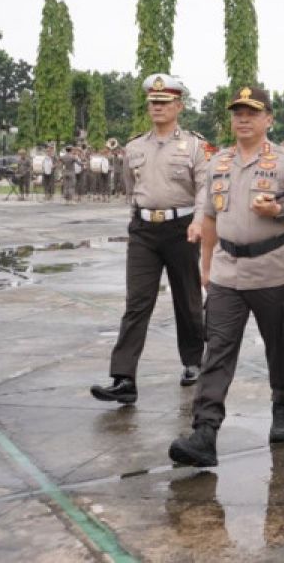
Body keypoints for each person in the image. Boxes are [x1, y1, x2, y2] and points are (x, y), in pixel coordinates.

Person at [168, 86, 284, 466]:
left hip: (270, 270)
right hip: (225, 271)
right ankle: (205, 433)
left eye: (252, 112)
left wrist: (280, 211)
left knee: (278, 345)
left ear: (268, 118)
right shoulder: (218, 163)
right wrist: (206, 268)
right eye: (238, 112)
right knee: (217, 350)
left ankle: (282, 405)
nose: (243, 119)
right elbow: (208, 218)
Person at [91, 74, 209, 405]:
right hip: (143, 230)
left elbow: (203, 188)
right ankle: (124, 377)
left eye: (164, 102)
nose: (157, 107)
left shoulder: (196, 146)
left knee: (186, 299)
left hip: (182, 227)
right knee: (137, 302)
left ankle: (193, 362)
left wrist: (199, 220)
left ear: (178, 106)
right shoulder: (134, 146)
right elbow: (132, 187)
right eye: (153, 103)